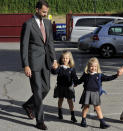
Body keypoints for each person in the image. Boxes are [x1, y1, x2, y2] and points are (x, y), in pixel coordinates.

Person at [20, 0, 57, 130]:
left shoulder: (47, 23)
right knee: (37, 91)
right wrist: (26, 65)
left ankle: (29, 105)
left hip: (46, 61)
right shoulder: (28, 24)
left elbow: (50, 43)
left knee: (46, 88)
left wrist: (54, 59)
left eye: (47, 11)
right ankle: (39, 121)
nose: (46, 13)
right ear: (37, 10)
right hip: (33, 63)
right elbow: (24, 46)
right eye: (43, 11)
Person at [77, 57, 119, 129]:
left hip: (95, 94)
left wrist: (116, 75)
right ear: (88, 66)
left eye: (95, 66)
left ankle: (102, 123)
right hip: (87, 93)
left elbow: (108, 78)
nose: (93, 68)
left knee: (97, 108)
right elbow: (79, 81)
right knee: (86, 107)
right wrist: (74, 82)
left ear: (97, 67)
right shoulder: (86, 74)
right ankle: (83, 121)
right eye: (92, 66)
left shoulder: (99, 75)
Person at [52, 51, 78, 123]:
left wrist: (76, 82)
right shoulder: (59, 67)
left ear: (69, 59)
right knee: (60, 99)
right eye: (63, 58)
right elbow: (54, 72)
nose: (65, 59)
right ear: (61, 59)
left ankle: (72, 115)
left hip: (68, 87)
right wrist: (54, 67)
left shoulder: (72, 69)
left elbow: (75, 77)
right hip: (60, 87)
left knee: (70, 101)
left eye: (66, 58)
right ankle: (60, 111)